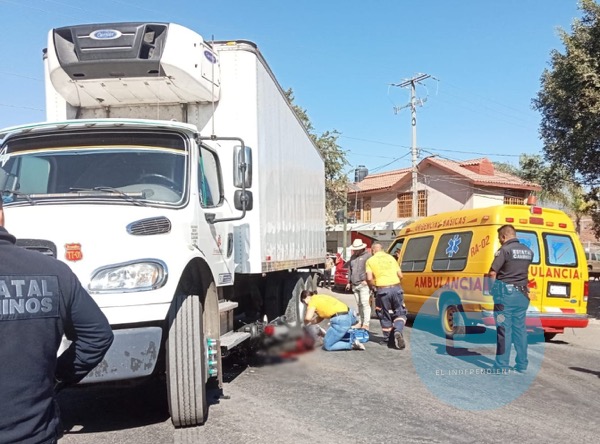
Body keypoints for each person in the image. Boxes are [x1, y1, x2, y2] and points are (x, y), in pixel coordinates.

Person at [0, 198, 114, 444]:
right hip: (34, 433)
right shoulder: (53, 272)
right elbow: (97, 336)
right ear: (1, 213)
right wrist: (55, 376)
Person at [489, 224, 533, 373]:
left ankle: (501, 366)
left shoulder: (504, 251)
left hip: (505, 298)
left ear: (503, 236)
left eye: (499, 238)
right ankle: (522, 364)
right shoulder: (528, 251)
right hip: (522, 296)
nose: (500, 241)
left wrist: (492, 290)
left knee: (504, 330)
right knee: (520, 330)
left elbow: (492, 273)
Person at [366, 243, 407, 349]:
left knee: (384, 314)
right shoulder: (391, 258)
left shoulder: (370, 261)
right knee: (400, 313)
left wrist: (373, 287)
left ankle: (388, 340)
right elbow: (400, 275)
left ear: (372, 250)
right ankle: (398, 331)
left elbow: (369, 278)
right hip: (396, 288)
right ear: (382, 249)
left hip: (382, 290)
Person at [345, 239, 372, 330]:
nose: (354, 251)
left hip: (363, 284)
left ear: (361, 249)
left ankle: (366, 324)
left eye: (356, 249)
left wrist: (367, 280)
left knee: (365, 304)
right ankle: (360, 322)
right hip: (355, 284)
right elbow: (350, 270)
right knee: (359, 304)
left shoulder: (368, 256)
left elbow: (371, 269)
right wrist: (348, 282)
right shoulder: (352, 257)